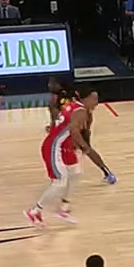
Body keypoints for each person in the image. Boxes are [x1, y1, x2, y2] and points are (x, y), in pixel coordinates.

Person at [26, 86, 106, 227]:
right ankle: (35, 211)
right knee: (59, 182)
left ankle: (64, 208)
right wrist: (86, 148)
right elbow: (75, 132)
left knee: (76, 173)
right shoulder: (81, 111)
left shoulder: (74, 106)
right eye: (94, 99)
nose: (97, 102)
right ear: (86, 99)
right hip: (53, 147)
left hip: (64, 146)